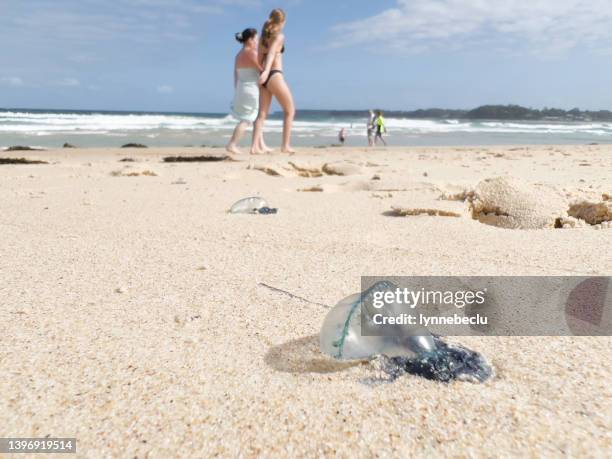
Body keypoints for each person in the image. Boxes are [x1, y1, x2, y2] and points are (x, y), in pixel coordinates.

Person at [250, 9, 295, 154]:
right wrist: (268, 72)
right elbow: (270, 54)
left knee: (262, 114)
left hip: (263, 76)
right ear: (282, 21)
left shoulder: (263, 38)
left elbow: (258, 59)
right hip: (274, 74)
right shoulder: (279, 36)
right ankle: (285, 146)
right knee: (290, 111)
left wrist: (260, 75)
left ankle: (254, 147)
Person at [226, 28, 271, 155]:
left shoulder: (238, 55)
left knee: (253, 117)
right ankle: (232, 144)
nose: (257, 42)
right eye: (256, 39)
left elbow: (235, 75)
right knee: (247, 120)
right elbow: (261, 69)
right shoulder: (250, 52)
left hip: (241, 87)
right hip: (250, 88)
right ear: (250, 39)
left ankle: (260, 145)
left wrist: (238, 90)